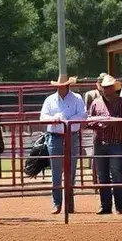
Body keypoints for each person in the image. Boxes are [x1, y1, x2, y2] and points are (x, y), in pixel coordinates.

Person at [39, 74, 86, 214]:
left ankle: (69, 203)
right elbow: (43, 117)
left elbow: (83, 115)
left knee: (71, 172)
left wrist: (68, 121)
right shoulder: (50, 99)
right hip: (55, 137)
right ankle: (57, 203)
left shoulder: (77, 98)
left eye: (62, 86)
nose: (60, 88)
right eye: (58, 86)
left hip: (71, 136)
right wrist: (54, 118)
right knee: (56, 173)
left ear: (67, 86)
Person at [85, 74, 122, 215]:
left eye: (108, 87)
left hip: (116, 141)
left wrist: (111, 121)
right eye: (104, 87)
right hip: (100, 142)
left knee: (116, 174)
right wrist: (99, 124)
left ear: (113, 88)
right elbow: (88, 122)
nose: (106, 89)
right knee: (103, 176)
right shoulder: (96, 103)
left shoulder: (121, 102)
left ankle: (120, 206)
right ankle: (106, 206)